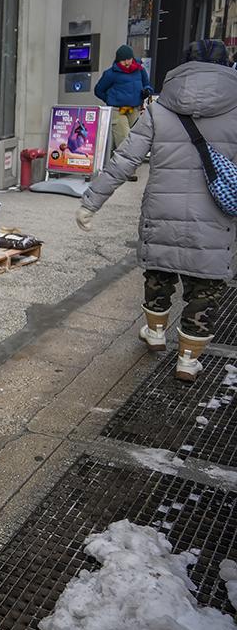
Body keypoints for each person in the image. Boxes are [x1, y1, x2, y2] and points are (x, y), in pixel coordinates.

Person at [76, 39, 237, 381]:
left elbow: (125, 160)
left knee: (158, 276)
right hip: (213, 220)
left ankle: (155, 332)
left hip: (161, 213)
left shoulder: (160, 109)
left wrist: (92, 201)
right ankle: (189, 360)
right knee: (204, 288)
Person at [94, 45, 154, 179]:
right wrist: (110, 100)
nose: (127, 63)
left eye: (129, 59)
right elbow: (98, 90)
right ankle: (126, 171)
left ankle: (111, 165)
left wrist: (147, 90)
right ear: (118, 60)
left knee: (130, 139)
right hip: (118, 109)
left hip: (134, 109)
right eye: (123, 60)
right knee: (125, 138)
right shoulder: (110, 74)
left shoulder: (140, 70)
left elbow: (146, 83)